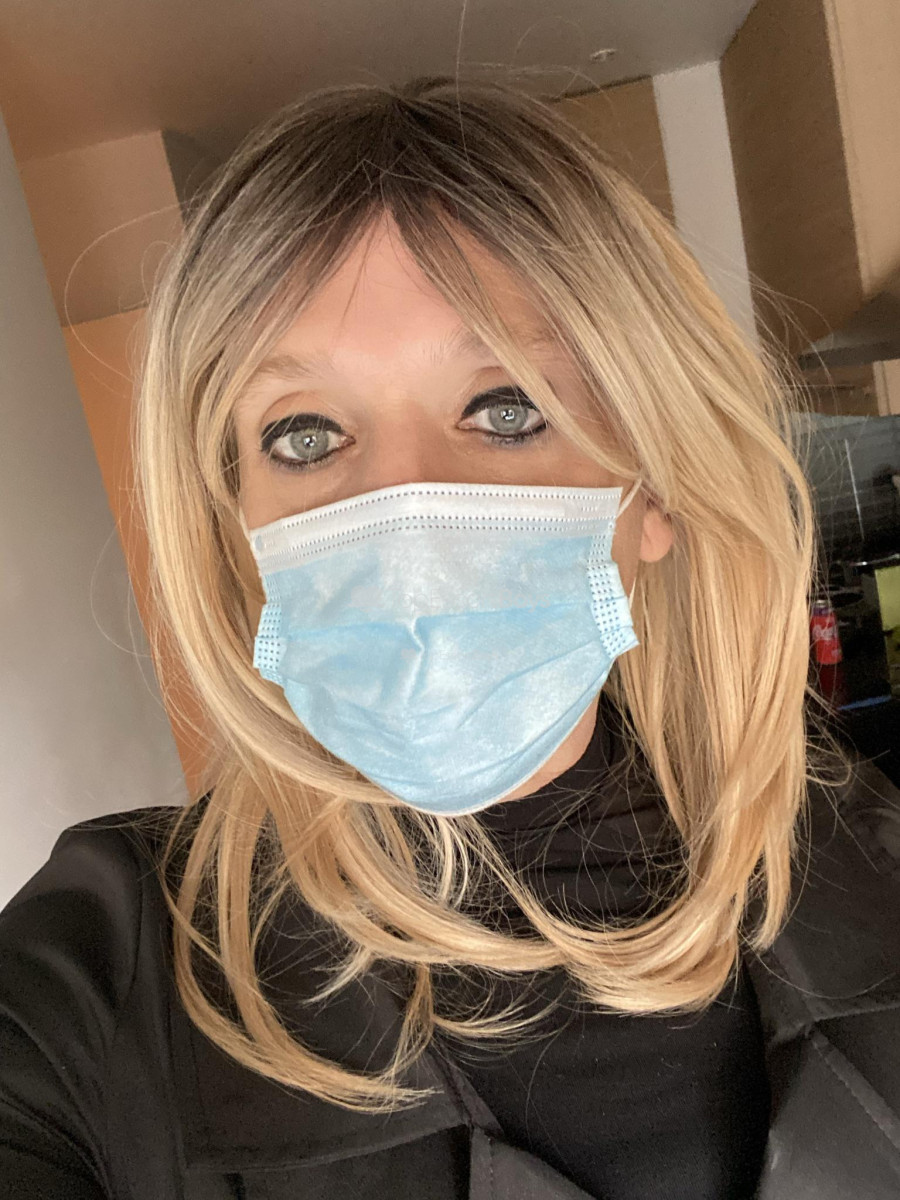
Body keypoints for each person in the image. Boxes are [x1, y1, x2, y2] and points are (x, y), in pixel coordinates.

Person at [2, 75, 899, 1200]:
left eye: (506, 409)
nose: (406, 512)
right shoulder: (109, 971)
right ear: (237, 527)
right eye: (305, 434)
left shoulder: (868, 859)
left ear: (654, 493)